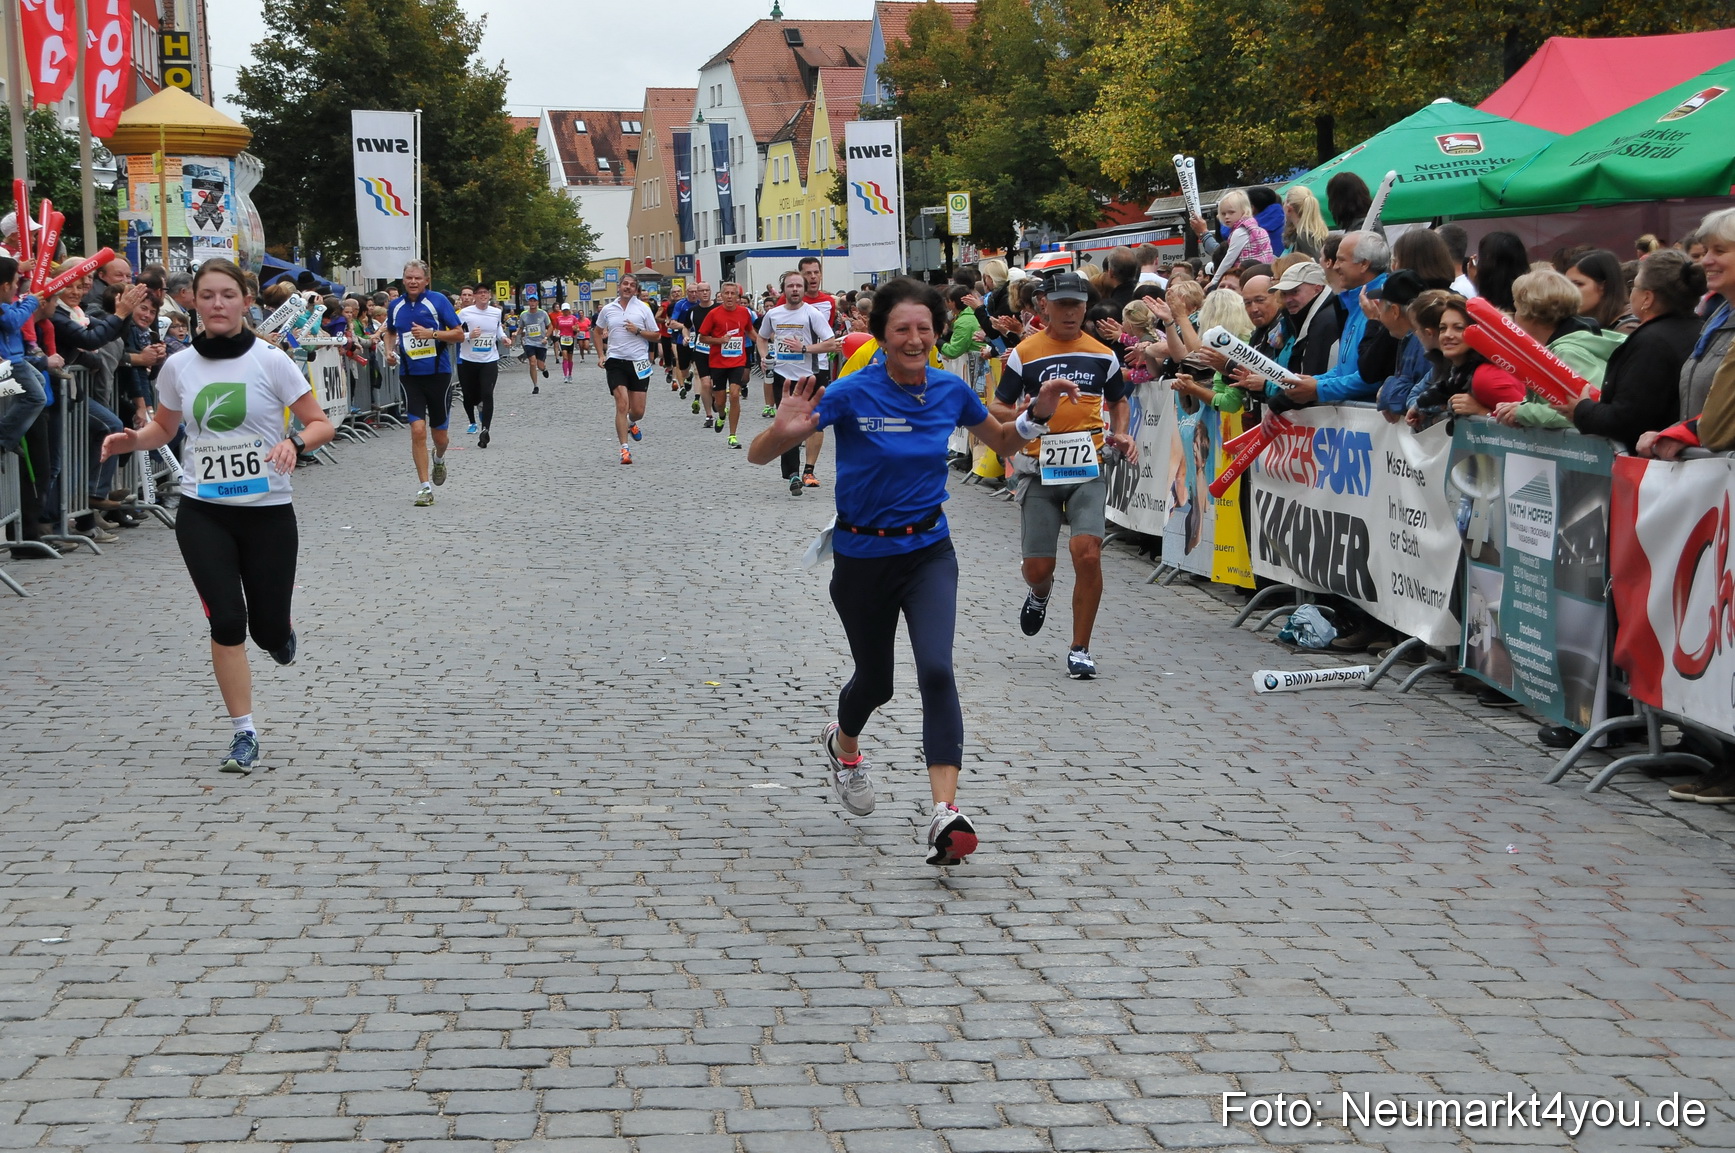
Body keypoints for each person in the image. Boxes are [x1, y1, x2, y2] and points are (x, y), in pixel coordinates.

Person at [747, 277, 1083, 865]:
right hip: (861, 557)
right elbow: (761, 454)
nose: (913, 338)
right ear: (882, 334)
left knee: (935, 669)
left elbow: (1001, 440)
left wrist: (1035, 418)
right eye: (901, 328)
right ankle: (843, 744)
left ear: (936, 333)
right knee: (877, 682)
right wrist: (784, 430)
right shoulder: (851, 392)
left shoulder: (951, 390)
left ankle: (944, 813)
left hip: (928, 551)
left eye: (924, 328)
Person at [97, 259, 335, 773]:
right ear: (195, 302)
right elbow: (164, 428)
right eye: (207, 295)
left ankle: (279, 634)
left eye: (228, 294)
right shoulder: (179, 366)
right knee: (227, 620)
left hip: (268, 512)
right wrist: (131, 439)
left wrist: (294, 441)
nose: (218, 304)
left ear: (247, 301)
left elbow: (321, 424)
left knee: (266, 630)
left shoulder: (271, 361)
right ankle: (243, 733)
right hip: (204, 511)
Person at [989, 270, 1137, 680]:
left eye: (1077, 304)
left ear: (1086, 307)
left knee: (1087, 553)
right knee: (1038, 568)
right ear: (1044, 307)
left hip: (1088, 467)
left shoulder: (1102, 354)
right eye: (1062, 305)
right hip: (1038, 469)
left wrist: (1121, 433)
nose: (1070, 313)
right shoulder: (1025, 352)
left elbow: (1119, 400)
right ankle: (1040, 591)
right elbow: (999, 408)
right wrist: (1032, 410)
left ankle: (1080, 648)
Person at [382, 259, 463, 507]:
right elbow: (391, 331)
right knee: (417, 430)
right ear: (403, 280)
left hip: (438, 375)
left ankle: (439, 458)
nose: (413, 282)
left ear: (426, 280)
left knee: (440, 436)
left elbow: (459, 333)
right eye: (409, 278)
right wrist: (389, 351)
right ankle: (424, 488)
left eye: (418, 278)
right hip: (410, 376)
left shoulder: (438, 301)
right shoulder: (395, 306)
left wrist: (432, 334)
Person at [759, 270, 840, 495]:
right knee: (786, 425)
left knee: (807, 423)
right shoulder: (773, 314)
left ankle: (808, 468)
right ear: (783, 290)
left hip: (808, 376)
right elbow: (761, 337)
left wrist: (804, 349)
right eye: (790, 286)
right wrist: (764, 356)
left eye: (798, 286)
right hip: (782, 376)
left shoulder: (812, 314)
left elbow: (831, 344)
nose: (794, 290)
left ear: (804, 290)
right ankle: (793, 474)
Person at [1286, 231, 1388, 404]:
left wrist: (1318, 388)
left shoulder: (1382, 304)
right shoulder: (1353, 302)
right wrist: (1313, 383)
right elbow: (1345, 369)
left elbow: (1372, 376)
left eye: (1341, 260)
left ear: (1363, 264)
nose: (1334, 266)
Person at [593, 273, 658, 464]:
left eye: (632, 285)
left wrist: (637, 331)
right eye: (625, 284)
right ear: (619, 287)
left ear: (636, 289)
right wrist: (600, 355)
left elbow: (656, 335)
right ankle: (624, 449)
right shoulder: (608, 309)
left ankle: (632, 422)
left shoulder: (643, 309)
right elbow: (596, 332)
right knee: (622, 404)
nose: (628, 287)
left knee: (637, 411)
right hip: (615, 361)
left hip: (638, 362)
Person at [697, 282, 766, 449]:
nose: (729, 296)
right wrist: (720, 340)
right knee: (720, 402)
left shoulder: (744, 313)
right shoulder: (714, 314)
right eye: (726, 293)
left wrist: (762, 342)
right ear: (721, 295)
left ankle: (732, 435)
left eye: (732, 294)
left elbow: (749, 331)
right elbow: (702, 338)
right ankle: (721, 414)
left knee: (734, 395)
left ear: (737, 297)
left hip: (737, 361)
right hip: (718, 362)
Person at [796, 255, 840, 489]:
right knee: (795, 419)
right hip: (792, 367)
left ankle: (809, 470)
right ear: (800, 276)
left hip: (819, 366)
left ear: (821, 275)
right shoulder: (787, 300)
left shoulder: (829, 302)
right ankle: (792, 469)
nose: (812, 277)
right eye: (807, 273)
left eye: (816, 272)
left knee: (817, 419)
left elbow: (828, 335)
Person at [457, 282, 505, 448]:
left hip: (489, 360)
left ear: (489, 295)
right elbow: (454, 333)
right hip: (468, 360)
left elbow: (497, 330)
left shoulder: (496, 312)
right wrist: (469, 334)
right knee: (470, 397)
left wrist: (503, 338)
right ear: (475, 296)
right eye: (479, 293)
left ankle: (485, 429)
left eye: (486, 293)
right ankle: (477, 408)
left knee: (487, 393)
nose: (483, 295)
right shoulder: (465, 313)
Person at [1565, 249, 1640, 335]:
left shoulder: (1628, 329)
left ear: (1604, 286)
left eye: (1578, 284)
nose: (1569, 292)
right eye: (1566, 285)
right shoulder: (1584, 323)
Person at [1283, 186, 1328, 259]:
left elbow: (1317, 265)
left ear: (1289, 208)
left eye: (1284, 202)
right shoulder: (1315, 232)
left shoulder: (1304, 236)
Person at [520, 298, 551, 392]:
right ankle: (535, 386)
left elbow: (550, 326)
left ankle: (544, 369)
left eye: (534, 301)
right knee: (532, 362)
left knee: (540, 365)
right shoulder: (523, 314)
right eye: (530, 301)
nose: (532, 303)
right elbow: (521, 328)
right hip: (529, 342)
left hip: (541, 342)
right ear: (528, 302)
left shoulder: (543, 313)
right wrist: (515, 333)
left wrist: (546, 338)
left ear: (537, 302)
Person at [552, 303, 579, 381]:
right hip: (563, 338)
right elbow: (556, 327)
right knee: (565, 357)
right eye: (564, 310)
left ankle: (570, 374)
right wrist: (556, 334)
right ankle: (565, 375)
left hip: (570, 338)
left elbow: (577, 328)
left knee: (570, 358)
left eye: (567, 310)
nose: (565, 311)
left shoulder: (573, 318)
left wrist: (576, 329)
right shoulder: (559, 318)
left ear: (569, 310)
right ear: (562, 310)